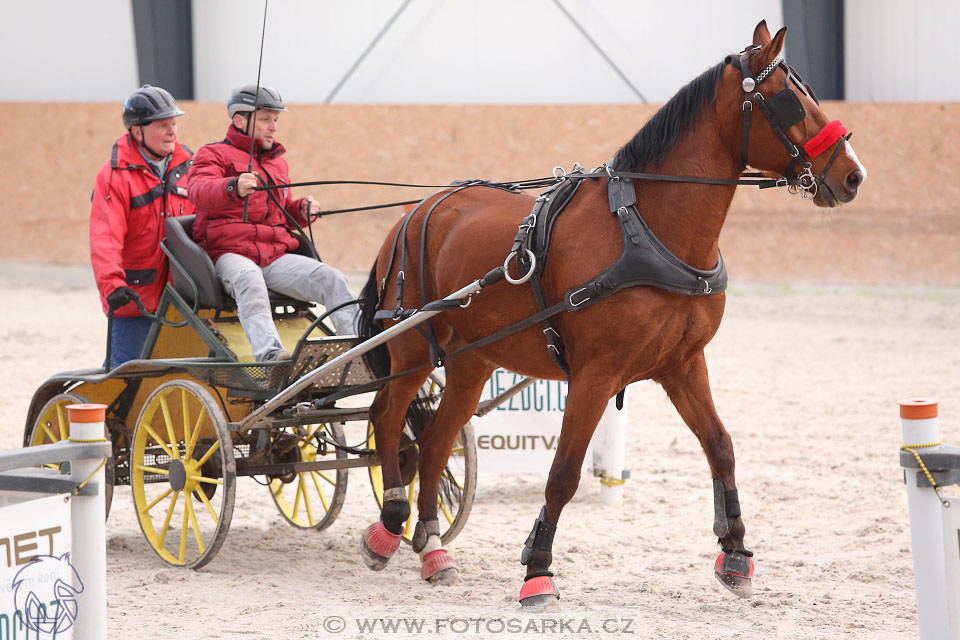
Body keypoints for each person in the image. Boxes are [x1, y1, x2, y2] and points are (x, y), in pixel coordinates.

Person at [187, 85, 359, 362]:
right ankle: (271, 356)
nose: (273, 127)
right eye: (266, 119)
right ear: (239, 120)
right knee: (249, 279)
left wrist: (300, 211)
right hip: (229, 254)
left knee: (332, 278)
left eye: (275, 120)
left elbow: (280, 212)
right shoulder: (212, 154)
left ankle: (358, 348)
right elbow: (198, 190)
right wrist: (232, 186)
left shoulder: (277, 164)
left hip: (275, 257)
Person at [90, 84, 193, 368]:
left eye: (174, 124)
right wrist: (113, 286)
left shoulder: (191, 168)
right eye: (163, 125)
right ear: (137, 131)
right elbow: (105, 237)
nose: (172, 132)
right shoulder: (113, 176)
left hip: (182, 302)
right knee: (126, 382)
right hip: (135, 301)